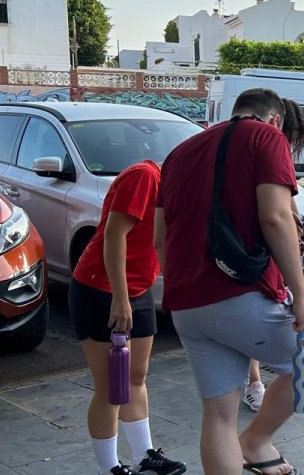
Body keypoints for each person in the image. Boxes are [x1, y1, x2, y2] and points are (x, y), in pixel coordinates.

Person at [156, 88, 304, 475]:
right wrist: (301, 297)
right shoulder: (266, 136)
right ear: (276, 120)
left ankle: (250, 447)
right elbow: (274, 218)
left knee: (218, 414)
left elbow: (160, 236)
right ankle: (255, 443)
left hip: (187, 303)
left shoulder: (179, 153)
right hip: (243, 296)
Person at [69, 158, 187, 475]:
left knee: (135, 376)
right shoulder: (145, 178)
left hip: (138, 289)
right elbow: (113, 235)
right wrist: (120, 299)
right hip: (101, 288)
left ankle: (143, 454)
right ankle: (108, 466)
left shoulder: (178, 188)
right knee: (110, 384)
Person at [245, 98, 304, 413]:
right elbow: (275, 215)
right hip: (255, 253)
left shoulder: (271, 148)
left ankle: (258, 377)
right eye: (291, 138)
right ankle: (254, 381)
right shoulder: (264, 144)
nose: (290, 146)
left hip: (269, 253)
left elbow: (288, 201)